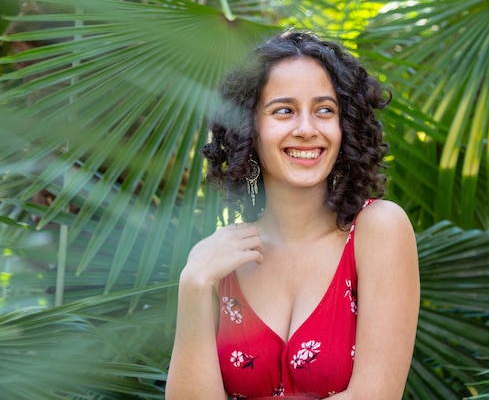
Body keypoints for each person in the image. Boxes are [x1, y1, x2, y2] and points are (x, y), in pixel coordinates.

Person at [165, 30, 420, 400]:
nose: (306, 129)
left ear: (344, 126)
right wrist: (193, 286)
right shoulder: (217, 262)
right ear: (249, 128)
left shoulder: (379, 230)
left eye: (324, 110)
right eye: (284, 110)